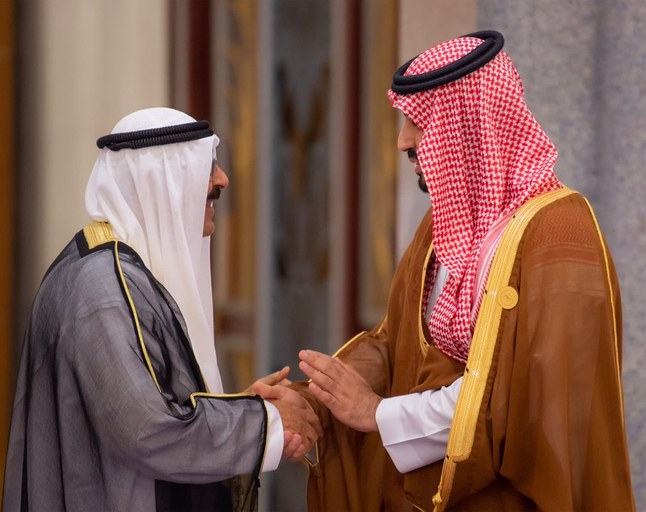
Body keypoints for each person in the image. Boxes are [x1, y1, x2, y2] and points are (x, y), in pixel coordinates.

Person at [261, 31, 636, 511]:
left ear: (468, 126)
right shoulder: (443, 225)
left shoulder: (561, 236)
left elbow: (527, 406)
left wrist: (380, 413)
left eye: (417, 123)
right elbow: (395, 347)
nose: (403, 143)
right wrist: (312, 402)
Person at [2, 107, 320, 512]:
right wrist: (267, 421)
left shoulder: (120, 271)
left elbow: (152, 399)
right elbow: (145, 429)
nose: (222, 180)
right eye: (208, 168)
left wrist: (239, 407)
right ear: (165, 183)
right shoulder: (101, 290)